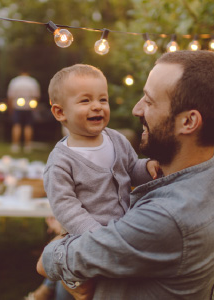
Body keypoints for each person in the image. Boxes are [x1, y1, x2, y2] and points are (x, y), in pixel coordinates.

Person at [37, 50, 214, 299]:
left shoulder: (167, 218)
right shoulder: (209, 177)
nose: (137, 110)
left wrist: (59, 238)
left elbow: (47, 261)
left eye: (149, 101)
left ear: (188, 122)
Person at [32, 64, 159, 300]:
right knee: (82, 290)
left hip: (121, 232)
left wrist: (147, 167)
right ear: (60, 113)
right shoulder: (60, 161)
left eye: (103, 99)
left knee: (112, 285)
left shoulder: (116, 139)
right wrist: (94, 235)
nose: (97, 106)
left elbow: (131, 168)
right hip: (87, 239)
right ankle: (63, 286)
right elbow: (66, 206)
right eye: (85, 101)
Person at [7, 72, 41, 154]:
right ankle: (27, 146)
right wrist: (34, 107)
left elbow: (10, 96)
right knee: (28, 126)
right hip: (28, 107)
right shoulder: (32, 81)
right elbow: (36, 96)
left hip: (17, 107)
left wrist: (10, 108)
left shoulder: (15, 81)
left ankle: (15, 145)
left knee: (16, 125)